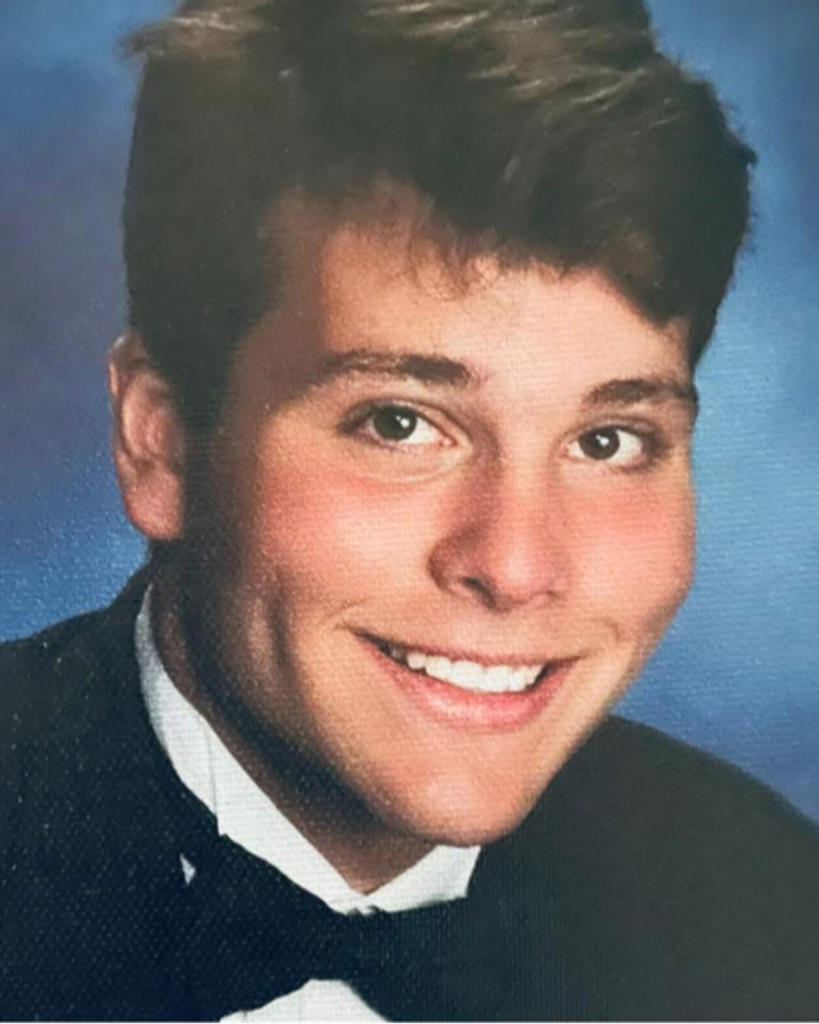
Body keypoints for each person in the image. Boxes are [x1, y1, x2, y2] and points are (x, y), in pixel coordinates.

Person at [1, 0, 817, 1019]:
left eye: (608, 441)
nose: (516, 565)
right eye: (400, 424)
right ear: (161, 444)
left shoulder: (772, 908)